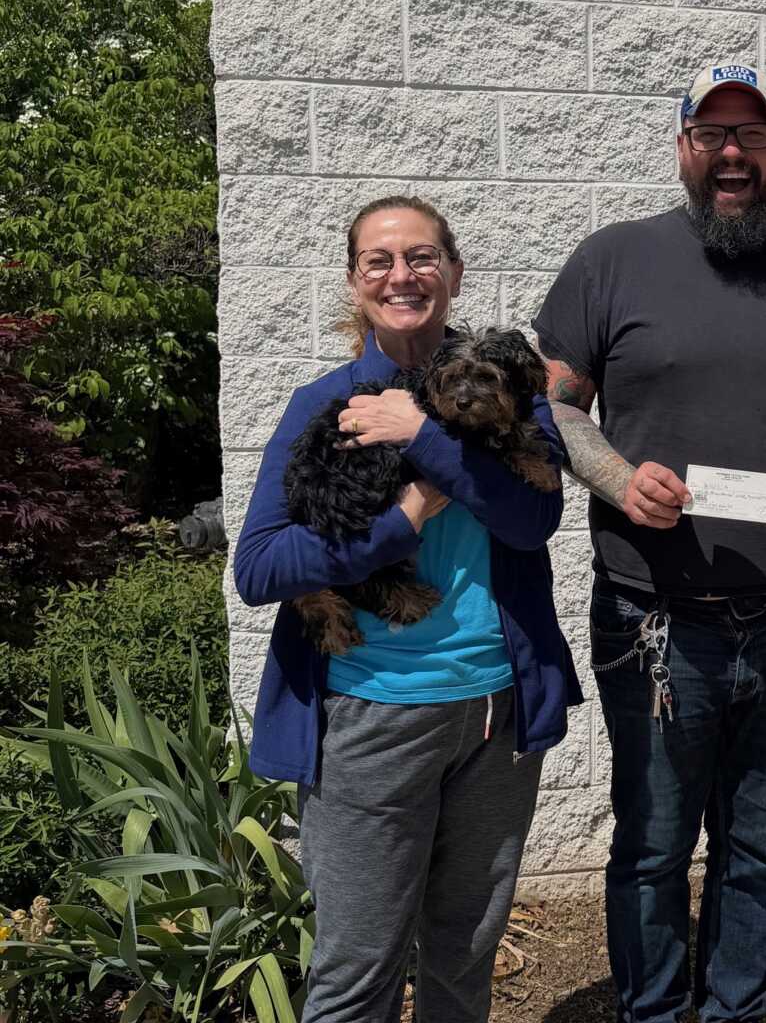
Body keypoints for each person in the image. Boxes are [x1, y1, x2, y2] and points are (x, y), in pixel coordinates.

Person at [532, 63, 766, 1023]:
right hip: (654, 619)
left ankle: (736, 1009)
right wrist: (615, 477)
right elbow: (554, 406)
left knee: (759, 847)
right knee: (652, 845)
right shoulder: (612, 260)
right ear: (683, 145)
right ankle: (651, 1010)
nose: (732, 153)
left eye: (751, 135)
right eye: (712, 134)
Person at [234, 195, 579, 1023]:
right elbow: (259, 567)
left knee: (464, 955)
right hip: (370, 713)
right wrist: (405, 517)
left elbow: (532, 520)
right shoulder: (325, 402)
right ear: (355, 281)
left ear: (453, 271)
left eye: (422, 256)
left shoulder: (508, 385)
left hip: (494, 711)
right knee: (358, 970)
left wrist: (420, 434)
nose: (403, 275)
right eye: (379, 261)